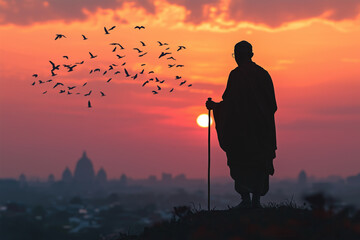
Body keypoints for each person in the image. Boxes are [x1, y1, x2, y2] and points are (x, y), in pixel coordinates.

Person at [206, 41, 277, 209]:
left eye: (238, 55)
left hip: (247, 132)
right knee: (250, 163)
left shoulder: (240, 75)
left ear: (247, 55)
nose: (237, 58)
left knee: (246, 164)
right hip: (255, 132)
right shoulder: (261, 74)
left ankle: (250, 201)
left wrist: (216, 107)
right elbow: (271, 105)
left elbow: (230, 103)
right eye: (235, 55)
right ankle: (252, 201)